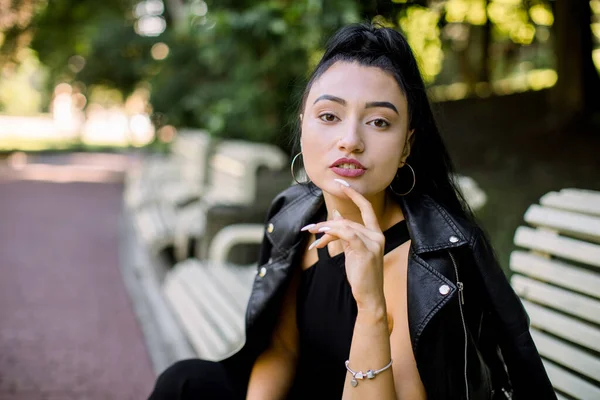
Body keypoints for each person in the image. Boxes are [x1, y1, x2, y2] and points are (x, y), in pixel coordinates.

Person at [148, 22, 556, 400]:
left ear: (406, 147)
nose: (350, 140)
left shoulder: (429, 266)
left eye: (379, 122)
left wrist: (371, 308)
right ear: (304, 123)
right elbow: (282, 349)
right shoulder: (295, 215)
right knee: (184, 383)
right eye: (329, 116)